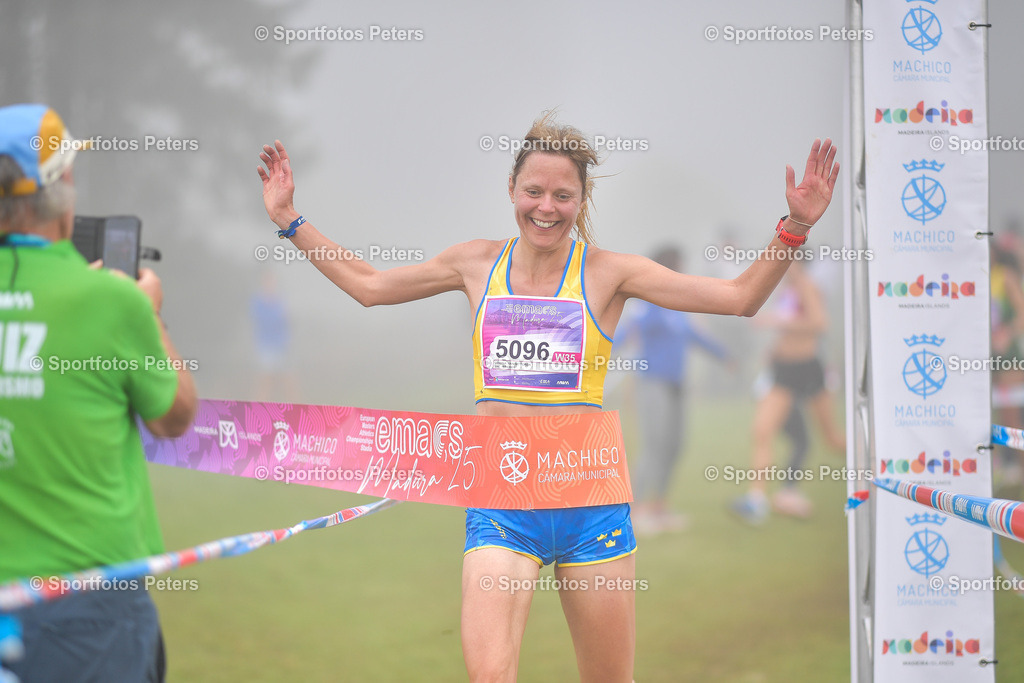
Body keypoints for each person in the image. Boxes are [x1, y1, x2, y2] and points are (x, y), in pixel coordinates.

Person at [257, 114, 838, 682]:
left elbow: (738, 299)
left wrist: (795, 226)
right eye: (533, 191)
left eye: (563, 195)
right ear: (511, 189)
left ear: (581, 200)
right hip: (503, 501)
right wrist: (289, 219)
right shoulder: (475, 263)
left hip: (590, 503)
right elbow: (370, 286)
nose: (546, 207)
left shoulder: (610, 273)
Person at [0, 104, 197, 682]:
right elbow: (174, 417)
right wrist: (150, 314)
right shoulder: (112, 303)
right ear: (61, 191)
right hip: (90, 601)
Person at [613, 245, 732, 536]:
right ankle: (636, 510)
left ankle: (659, 506)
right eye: (678, 266)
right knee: (654, 446)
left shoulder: (678, 306)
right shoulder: (648, 303)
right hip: (652, 382)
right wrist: (595, 353)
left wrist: (724, 355)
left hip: (677, 384)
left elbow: (693, 335)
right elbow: (626, 332)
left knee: (675, 445)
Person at [732, 256, 845, 524]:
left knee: (832, 438)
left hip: (808, 369)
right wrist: (773, 347)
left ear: (796, 262)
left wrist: (775, 322)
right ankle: (756, 501)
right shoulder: (786, 290)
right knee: (762, 431)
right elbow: (788, 325)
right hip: (783, 370)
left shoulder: (807, 285)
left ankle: (876, 466)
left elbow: (819, 323)